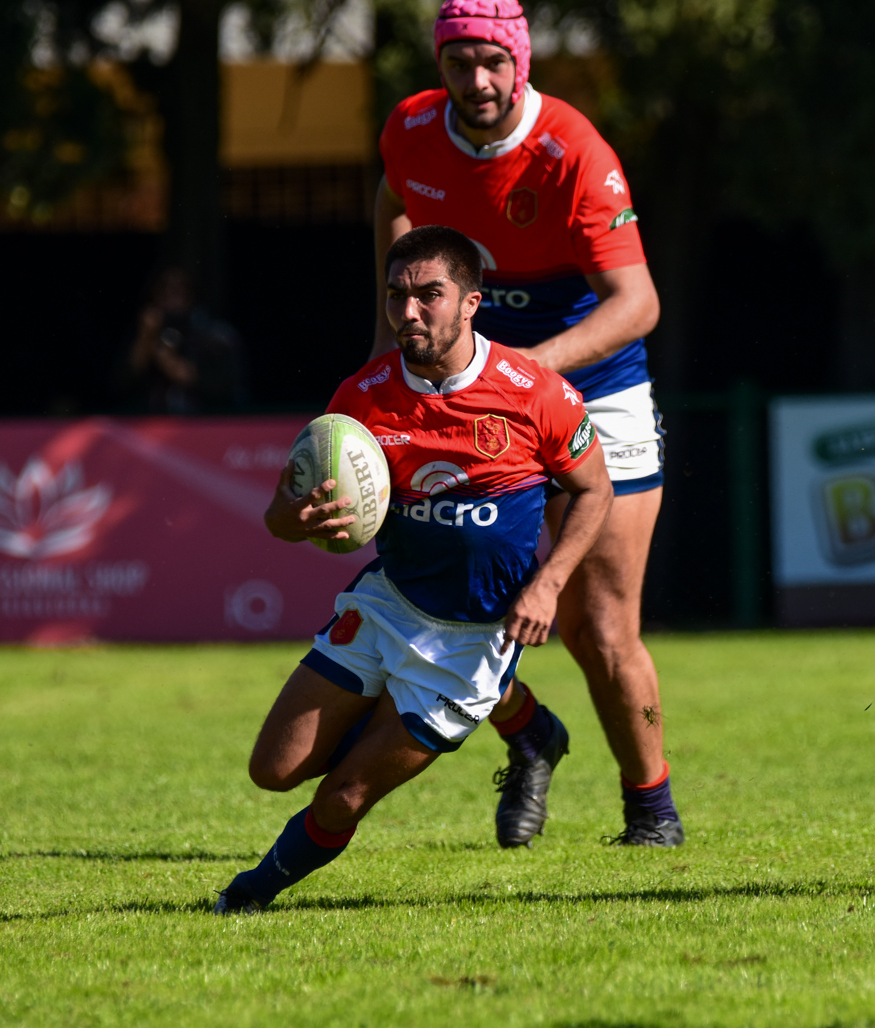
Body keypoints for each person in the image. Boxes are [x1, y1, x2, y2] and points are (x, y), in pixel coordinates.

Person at [215, 225, 610, 913]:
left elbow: (593, 490)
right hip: (389, 604)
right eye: (397, 296)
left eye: (430, 295)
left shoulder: (534, 391)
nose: (410, 312)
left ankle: (247, 895)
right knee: (272, 769)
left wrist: (548, 585)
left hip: (475, 639)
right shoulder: (362, 398)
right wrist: (300, 518)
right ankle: (529, 728)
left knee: (342, 794)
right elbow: (281, 515)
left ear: (470, 303)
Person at [373, 0, 680, 849]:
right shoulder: (410, 127)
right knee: (442, 599)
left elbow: (638, 304)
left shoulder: (574, 149)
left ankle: (652, 810)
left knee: (598, 622)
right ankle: (531, 732)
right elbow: (394, 200)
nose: (478, 80)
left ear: (523, 62)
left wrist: (525, 372)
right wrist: (389, 347)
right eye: (460, 61)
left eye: (493, 62)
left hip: (592, 382)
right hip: (473, 382)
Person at [122, 267, 245, 414]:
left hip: (206, 427)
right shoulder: (145, 332)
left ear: (192, 293)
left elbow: (226, 388)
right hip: (146, 429)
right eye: (164, 288)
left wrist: (170, 361)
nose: (172, 294)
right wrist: (145, 339)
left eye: (179, 289)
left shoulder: (216, 335)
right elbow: (121, 383)